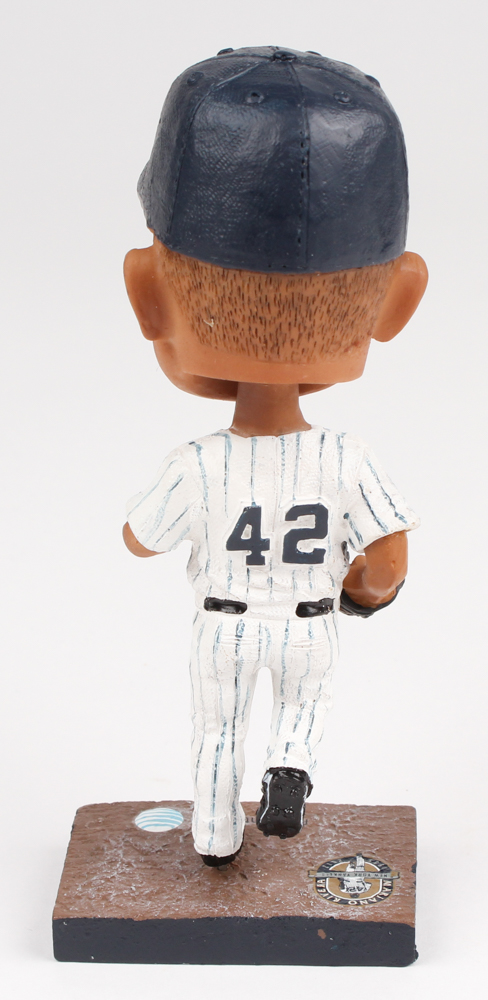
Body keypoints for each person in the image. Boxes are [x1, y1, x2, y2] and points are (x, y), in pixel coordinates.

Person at [122, 46, 428, 868]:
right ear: (398, 300)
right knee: (305, 708)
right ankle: (290, 767)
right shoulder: (347, 455)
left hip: (222, 624)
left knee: (215, 730)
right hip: (308, 622)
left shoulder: (196, 461)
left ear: (146, 293)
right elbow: (388, 562)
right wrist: (363, 593)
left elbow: (140, 539)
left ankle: (216, 837)